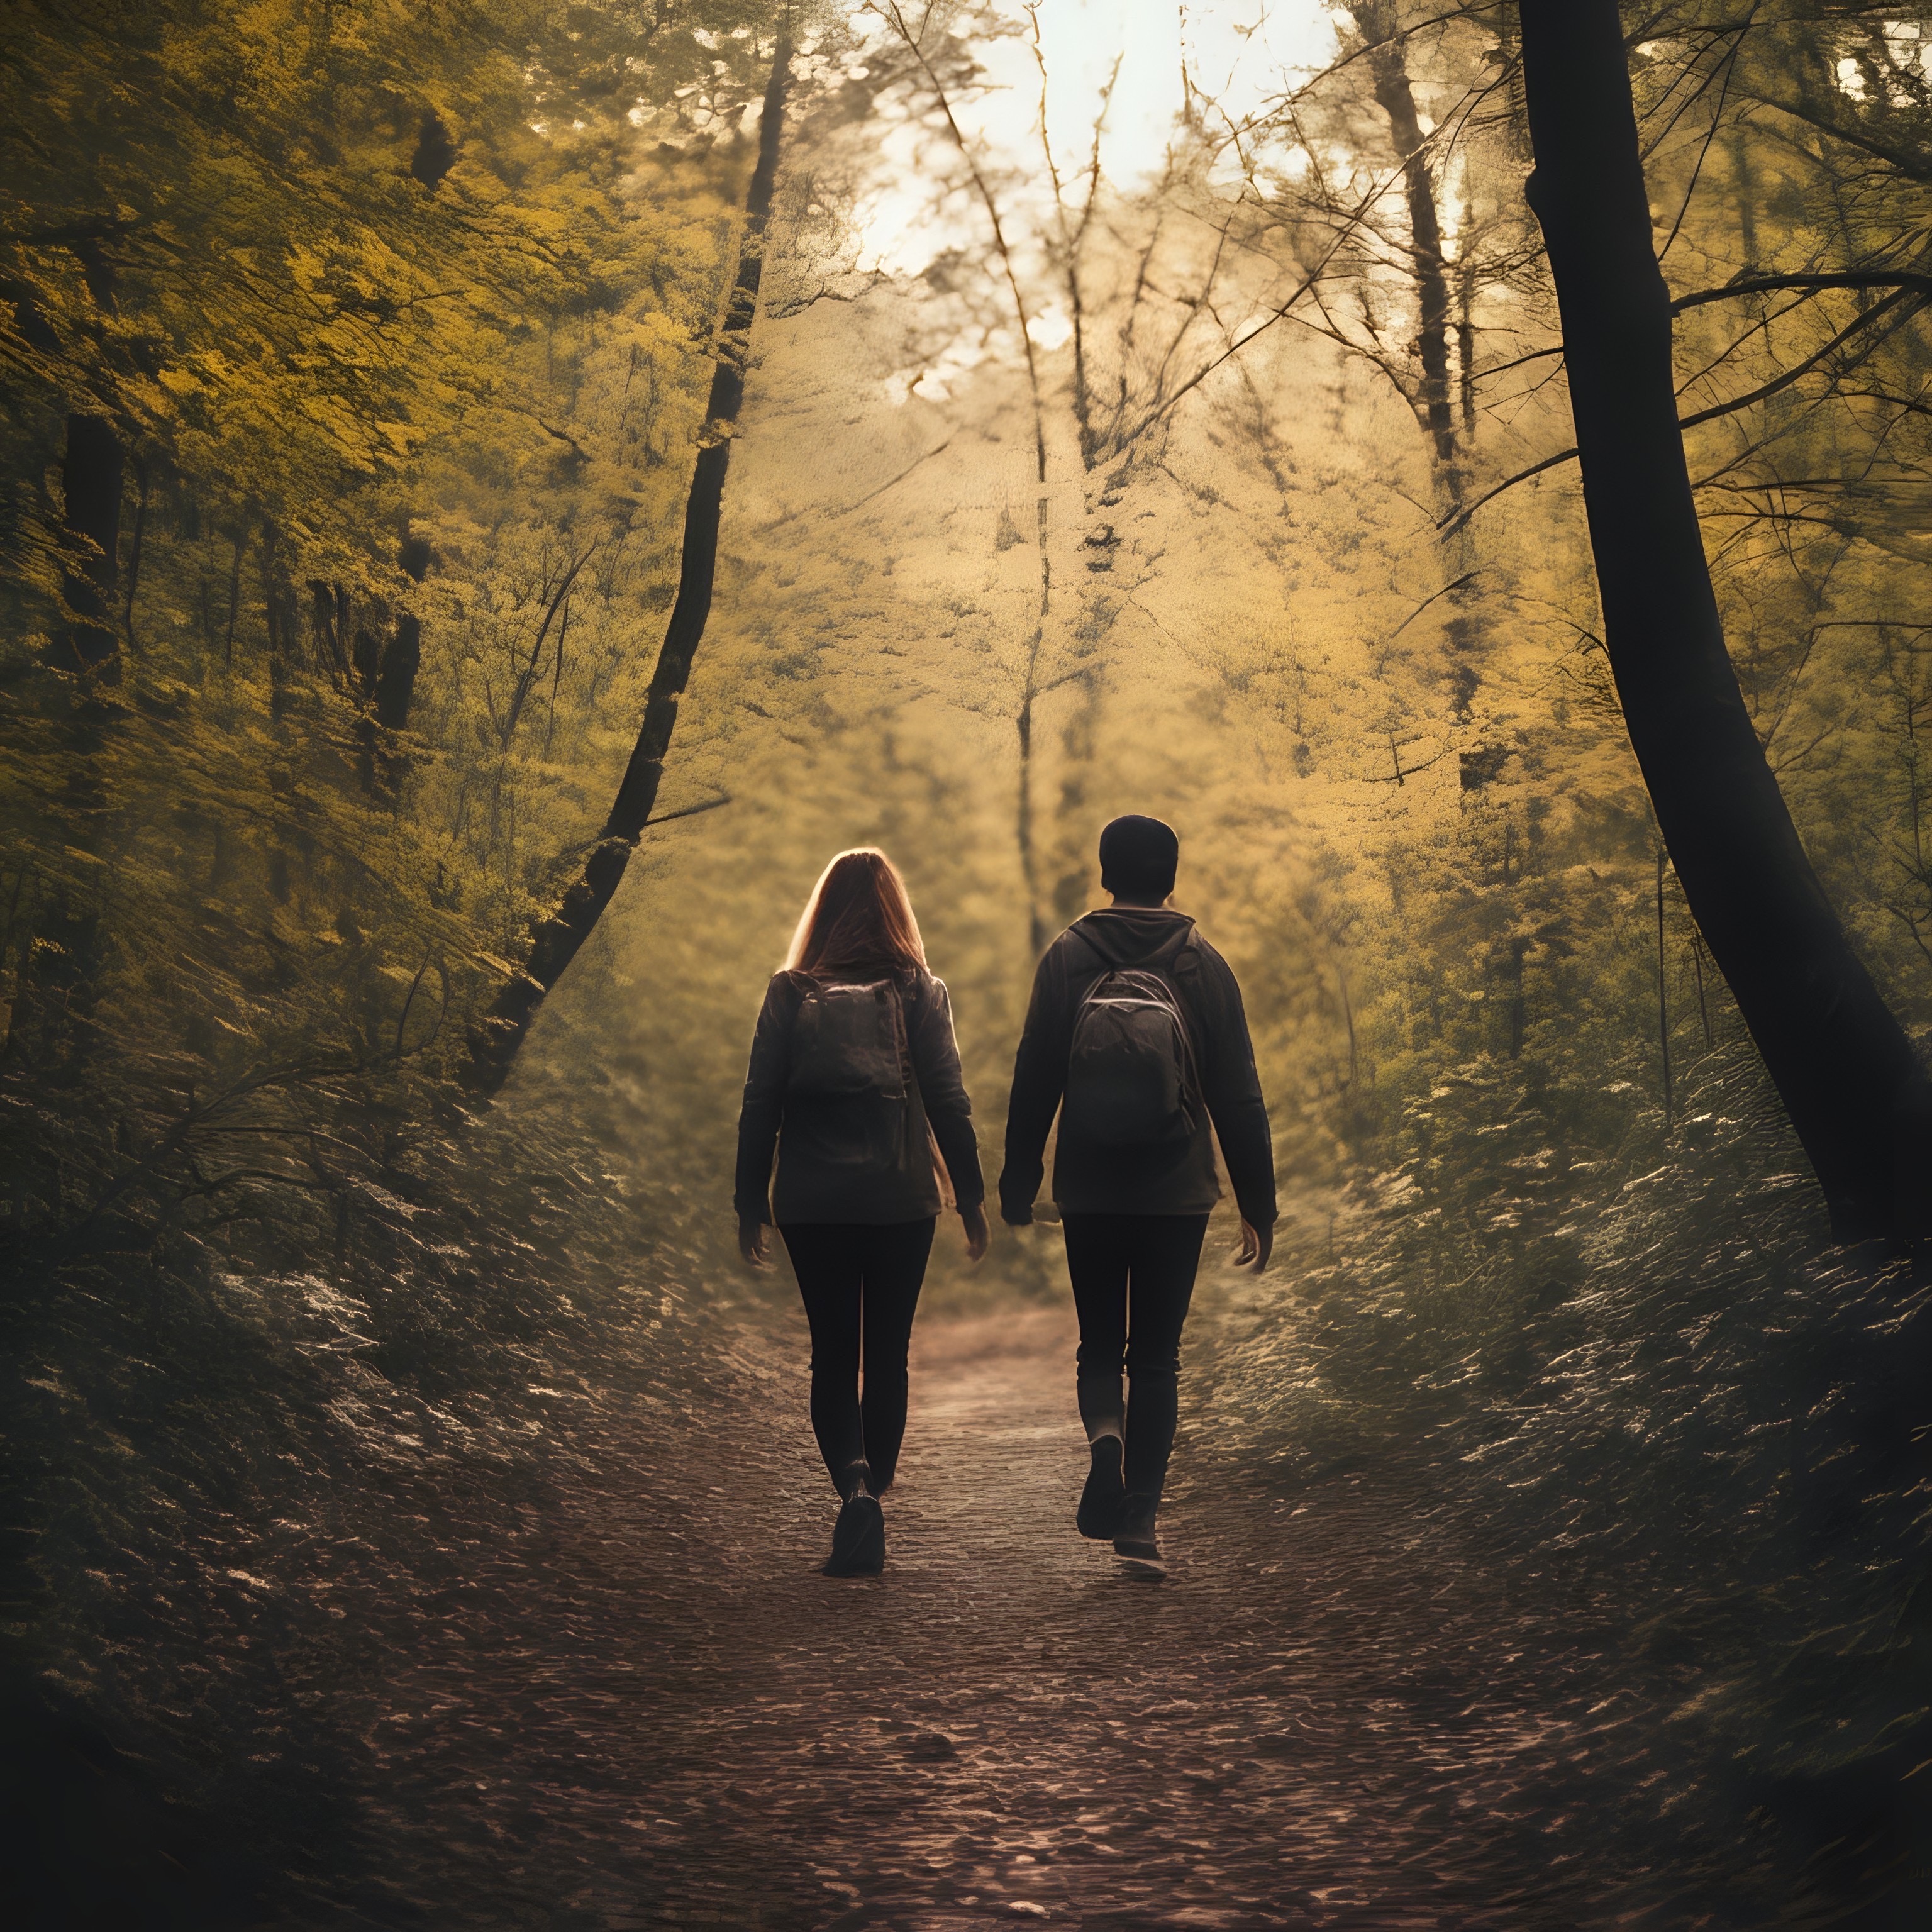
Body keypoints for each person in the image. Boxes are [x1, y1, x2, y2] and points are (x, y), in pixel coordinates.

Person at [999, 814, 1275, 1579]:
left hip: (1088, 1187)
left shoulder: (1067, 956)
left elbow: (1036, 1075)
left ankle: (1104, 1443)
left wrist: (1019, 1182)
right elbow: (1238, 1093)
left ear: (1104, 872)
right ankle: (1142, 1517)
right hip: (1176, 1190)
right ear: (1172, 876)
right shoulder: (1200, 961)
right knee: (1158, 1357)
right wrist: (1260, 1202)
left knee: (1099, 1344)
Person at [736, 848, 990, 1577]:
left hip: (812, 1203)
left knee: (832, 1351)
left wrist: (750, 1201)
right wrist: (968, 1196)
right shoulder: (919, 990)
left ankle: (852, 1487)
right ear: (895, 909)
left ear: (823, 911)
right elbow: (948, 1098)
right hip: (900, 1198)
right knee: (887, 1353)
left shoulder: (789, 993)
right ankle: (874, 1492)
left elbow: (761, 1106)